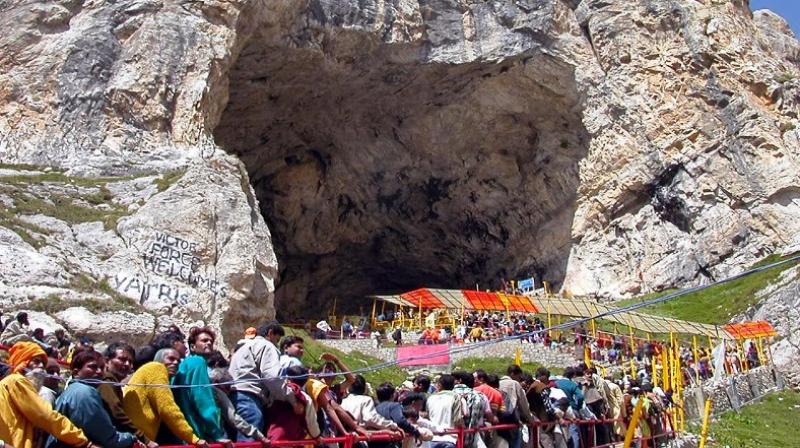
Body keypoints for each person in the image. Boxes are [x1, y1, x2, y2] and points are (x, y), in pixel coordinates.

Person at [0, 342, 91, 448]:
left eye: (43, 363)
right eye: (36, 361)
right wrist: (81, 440)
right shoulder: (16, 380)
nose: (41, 366)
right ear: (23, 363)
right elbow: (45, 415)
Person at [46, 350, 137, 448]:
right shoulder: (84, 393)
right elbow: (106, 436)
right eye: (93, 367)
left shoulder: (73, 390)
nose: (99, 371)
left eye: (102, 368)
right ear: (76, 372)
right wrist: (131, 438)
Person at [122, 348, 208, 447]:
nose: (176, 363)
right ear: (159, 359)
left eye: (178, 361)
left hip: (135, 436)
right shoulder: (156, 368)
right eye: (171, 359)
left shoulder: (150, 370)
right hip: (136, 438)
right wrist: (193, 438)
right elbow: (167, 408)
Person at [229, 322, 298, 441]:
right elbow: (272, 377)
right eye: (277, 339)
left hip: (232, 398)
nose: (276, 343)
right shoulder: (267, 346)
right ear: (270, 333)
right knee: (249, 442)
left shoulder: (242, 347)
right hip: (250, 400)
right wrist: (292, 399)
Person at [172, 327, 227, 443]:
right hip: (196, 432)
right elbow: (202, 400)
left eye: (211, 341)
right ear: (193, 346)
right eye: (204, 341)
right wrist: (217, 434)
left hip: (182, 433)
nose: (209, 343)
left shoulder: (184, 364)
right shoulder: (197, 362)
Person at [97, 343, 155, 448]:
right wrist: (144, 439)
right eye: (122, 359)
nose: (127, 364)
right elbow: (117, 412)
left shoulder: (115, 384)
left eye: (130, 361)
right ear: (106, 361)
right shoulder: (107, 382)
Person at [208, 368, 269, 443]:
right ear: (217, 382)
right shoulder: (217, 392)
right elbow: (233, 418)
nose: (229, 391)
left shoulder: (200, 388)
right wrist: (257, 434)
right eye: (227, 387)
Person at [266, 366, 320, 441]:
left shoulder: (277, 392)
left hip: (270, 437)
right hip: (289, 441)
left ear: (289, 378)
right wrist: (317, 436)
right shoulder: (305, 398)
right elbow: (311, 422)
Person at [425, 374, 464, 448]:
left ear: (439, 385)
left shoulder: (430, 398)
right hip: (449, 438)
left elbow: (427, 418)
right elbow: (457, 419)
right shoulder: (455, 397)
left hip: (432, 438)